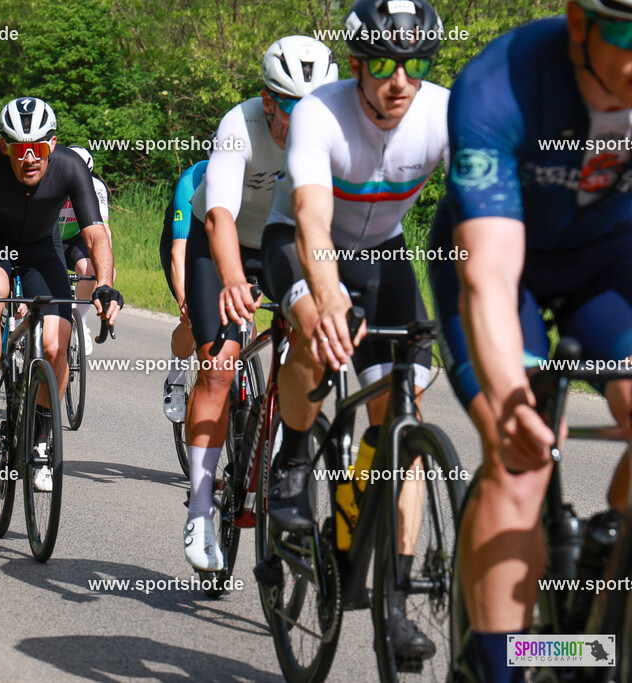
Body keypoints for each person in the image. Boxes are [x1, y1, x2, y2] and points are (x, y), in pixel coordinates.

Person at [427, 2, 632, 680]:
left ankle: (605, 573)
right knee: (522, 458)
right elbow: (489, 276)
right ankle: (500, 665)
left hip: (608, 271)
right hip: (498, 267)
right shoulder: (499, 85)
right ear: (580, 24)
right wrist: (513, 397)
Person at [261, 0, 447, 662]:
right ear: (361, 64)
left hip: (385, 251)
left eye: (417, 65)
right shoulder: (321, 112)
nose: (402, 81)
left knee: (402, 417)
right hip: (302, 242)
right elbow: (311, 215)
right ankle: (291, 463)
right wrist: (325, 292)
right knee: (315, 329)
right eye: (388, 65)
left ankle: (393, 601)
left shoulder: (443, 112)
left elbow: (485, 203)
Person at [181, 35, 337, 571]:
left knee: (313, 339)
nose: (303, 118)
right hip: (219, 244)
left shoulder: (336, 130)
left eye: (314, 105)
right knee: (220, 367)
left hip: (287, 244)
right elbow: (219, 216)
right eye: (292, 105)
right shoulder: (238, 126)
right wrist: (230, 281)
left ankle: (286, 458)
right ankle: (201, 504)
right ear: (269, 100)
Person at [0, 96, 122, 492]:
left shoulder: (70, 166)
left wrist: (103, 283)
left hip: (41, 250)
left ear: (52, 144)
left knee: (54, 345)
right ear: (4, 147)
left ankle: (43, 441)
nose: (30, 158)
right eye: (19, 149)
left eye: (38, 148)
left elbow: (95, 232)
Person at [159, 160, 206, 422]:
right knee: (193, 319)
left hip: (228, 243)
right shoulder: (191, 181)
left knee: (246, 317)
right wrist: (184, 301)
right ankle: (176, 378)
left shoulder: (253, 180)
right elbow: (179, 250)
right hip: (186, 244)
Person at [57, 145, 110, 356]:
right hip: (48, 238)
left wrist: (107, 268)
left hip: (75, 239)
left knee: (91, 269)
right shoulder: (50, 182)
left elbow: (104, 231)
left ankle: (80, 320)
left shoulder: (96, 187)